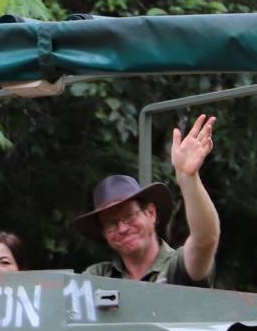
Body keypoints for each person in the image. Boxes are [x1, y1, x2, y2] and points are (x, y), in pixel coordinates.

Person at [77, 116, 220, 284]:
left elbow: (205, 240)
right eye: (111, 224)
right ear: (104, 234)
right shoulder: (99, 276)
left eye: (129, 216)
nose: (122, 228)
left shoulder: (178, 267)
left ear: (151, 213)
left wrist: (188, 177)